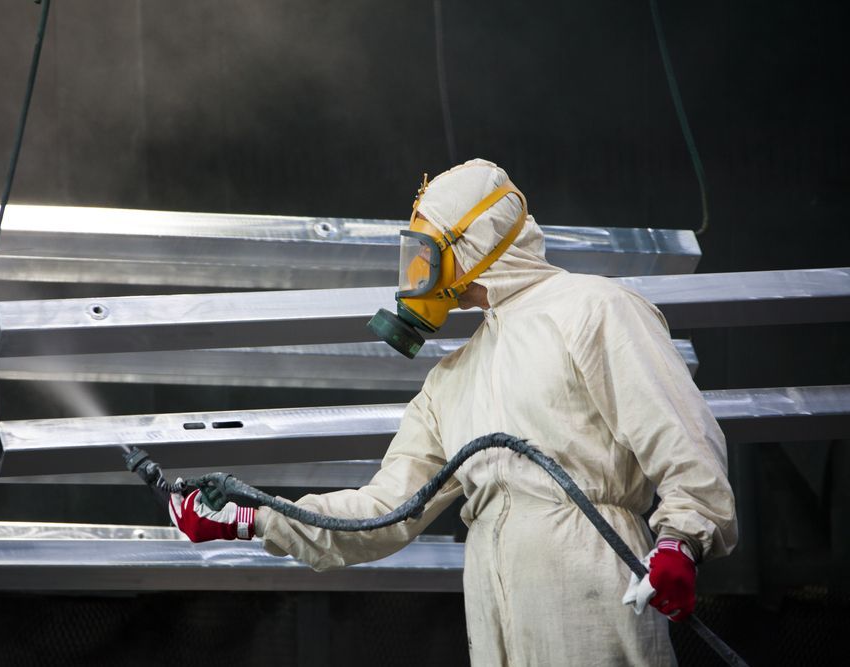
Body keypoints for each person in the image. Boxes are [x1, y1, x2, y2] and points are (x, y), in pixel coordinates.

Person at [168, 159, 737, 666]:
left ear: (472, 245)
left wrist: (681, 541)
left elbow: (681, 437)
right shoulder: (450, 380)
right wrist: (256, 516)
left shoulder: (594, 309)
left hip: (591, 578)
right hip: (491, 602)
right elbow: (381, 513)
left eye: (426, 254)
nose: (415, 277)